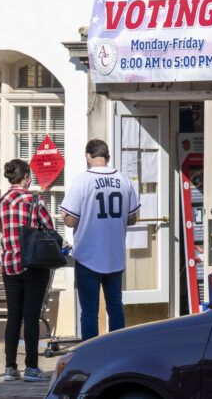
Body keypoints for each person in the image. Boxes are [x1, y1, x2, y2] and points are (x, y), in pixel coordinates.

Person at [60, 139, 139, 341]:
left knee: (89, 312)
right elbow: (132, 217)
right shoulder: (124, 180)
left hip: (89, 255)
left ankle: (90, 355)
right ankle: (117, 351)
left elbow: (70, 220)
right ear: (108, 157)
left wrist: (67, 217)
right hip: (115, 255)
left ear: (88, 156)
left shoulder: (82, 181)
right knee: (115, 308)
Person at [0, 159, 54, 382]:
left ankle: (10, 367)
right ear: (27, 177)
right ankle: (32, 367)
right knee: (31, 317)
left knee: (14, 317)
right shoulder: (35, 200)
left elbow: (2, 228)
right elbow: (48, 227)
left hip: (9, 265)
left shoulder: (0, 202)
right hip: (33, 264)